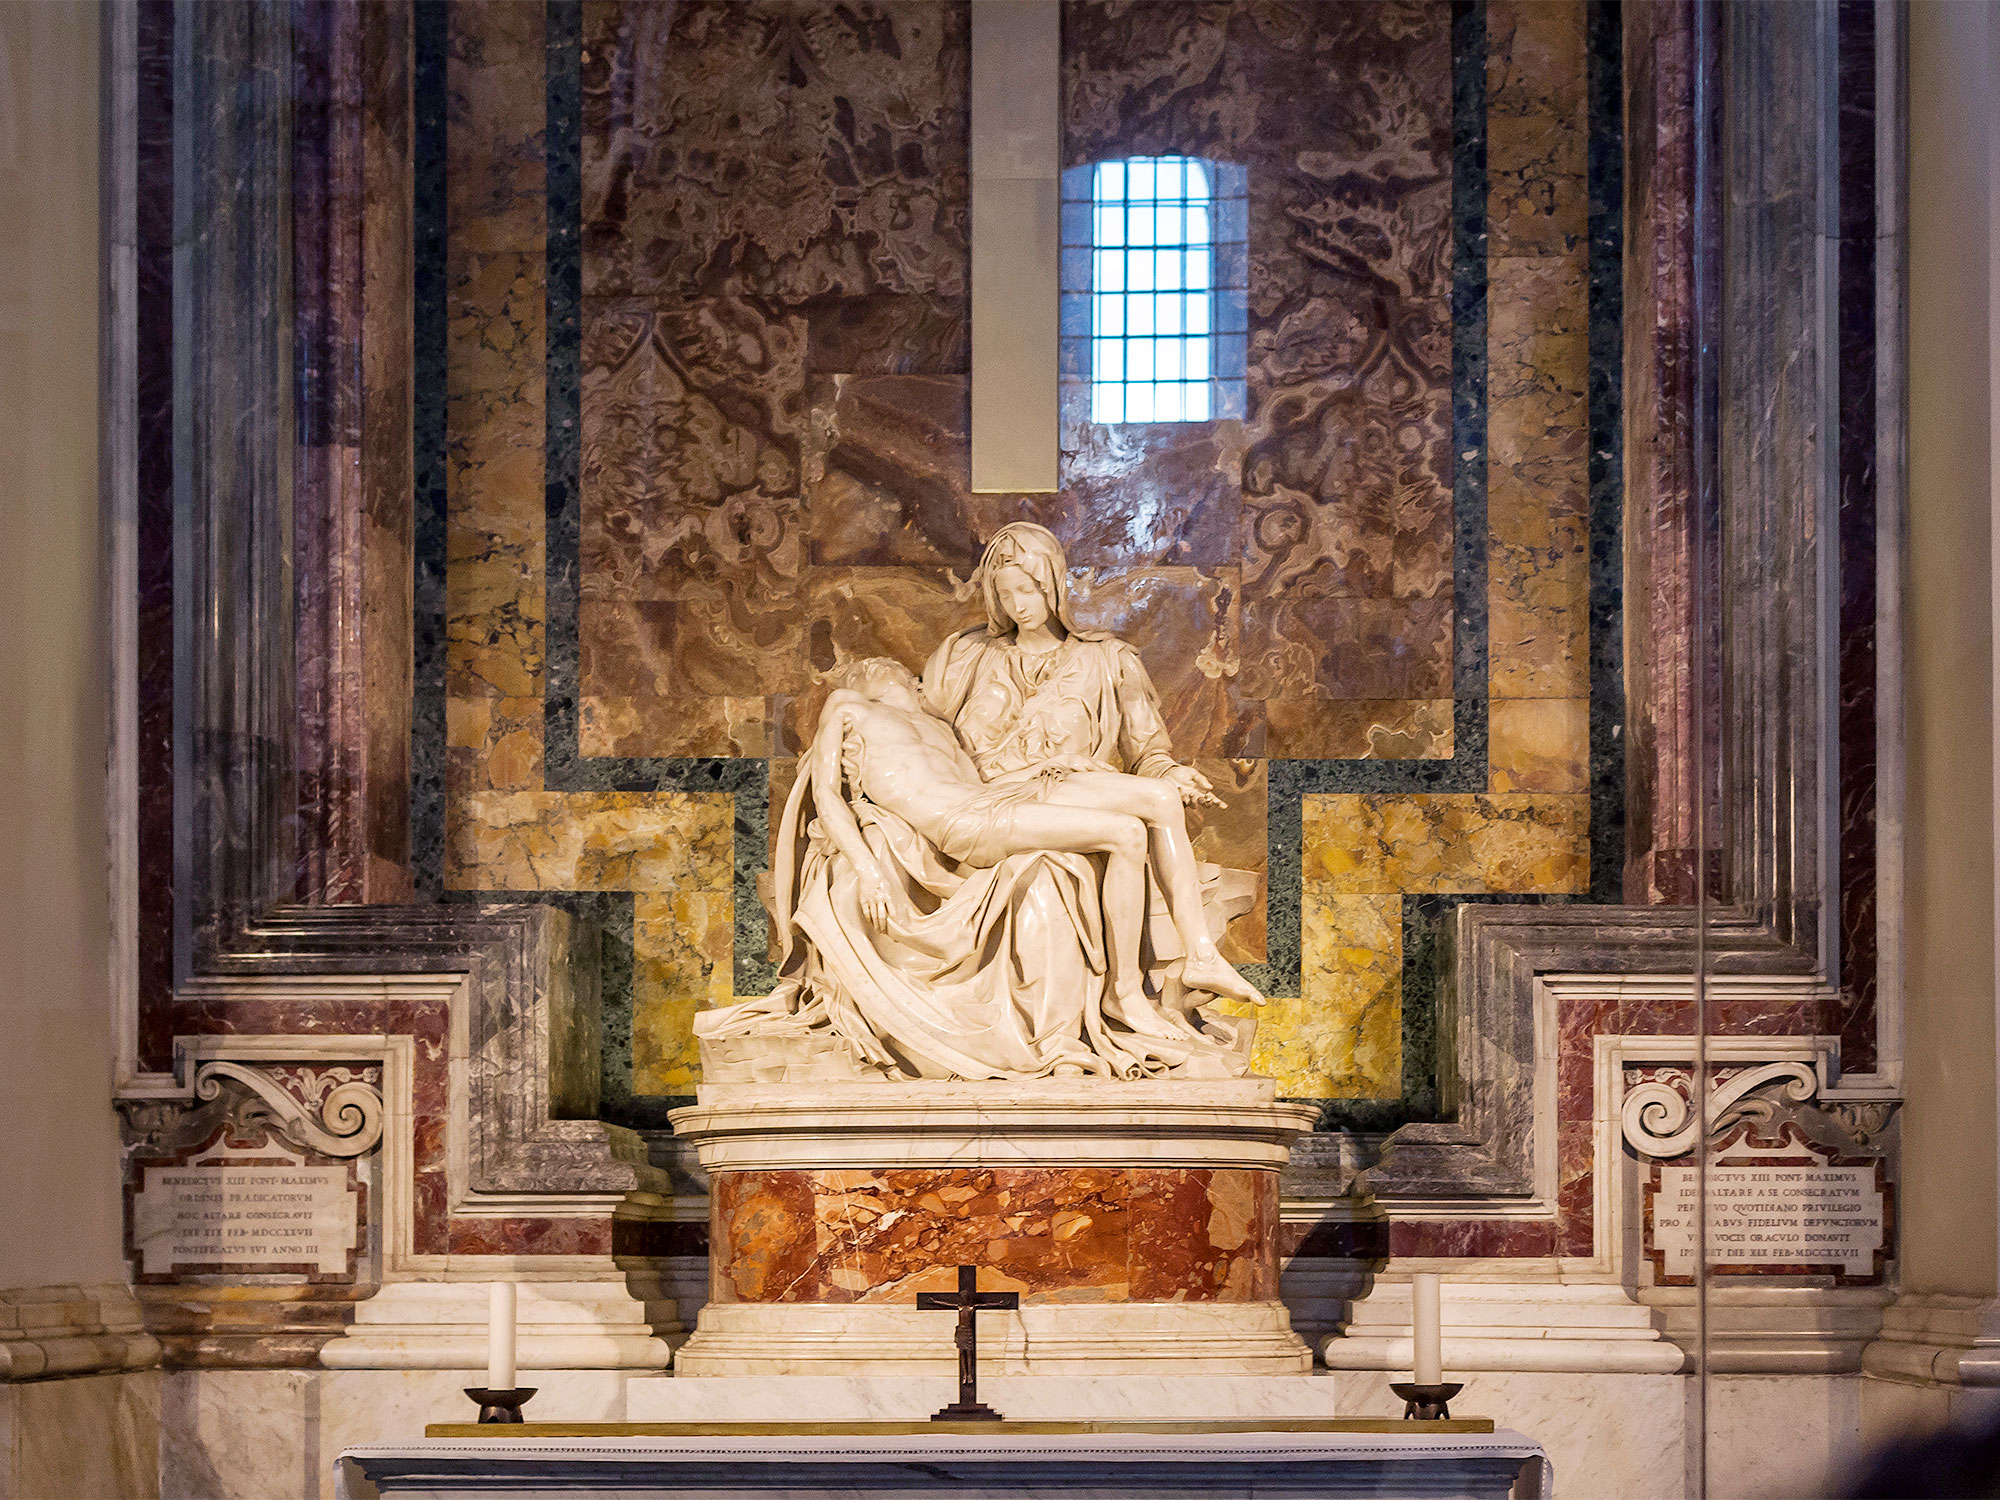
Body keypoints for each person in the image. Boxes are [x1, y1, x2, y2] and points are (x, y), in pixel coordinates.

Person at [809, 657, 1262, 1028]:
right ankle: (1124, 993)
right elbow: (825, 793)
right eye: (899, 670)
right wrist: (868, 871)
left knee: (1160, 798)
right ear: (872, 678)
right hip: (963, 825)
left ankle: (1201, 955)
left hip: (990, 800)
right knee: (1125, 834)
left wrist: (1057, 763)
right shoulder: (849, 706)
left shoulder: (938, 728)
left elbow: (978, 782)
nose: (916, 679)